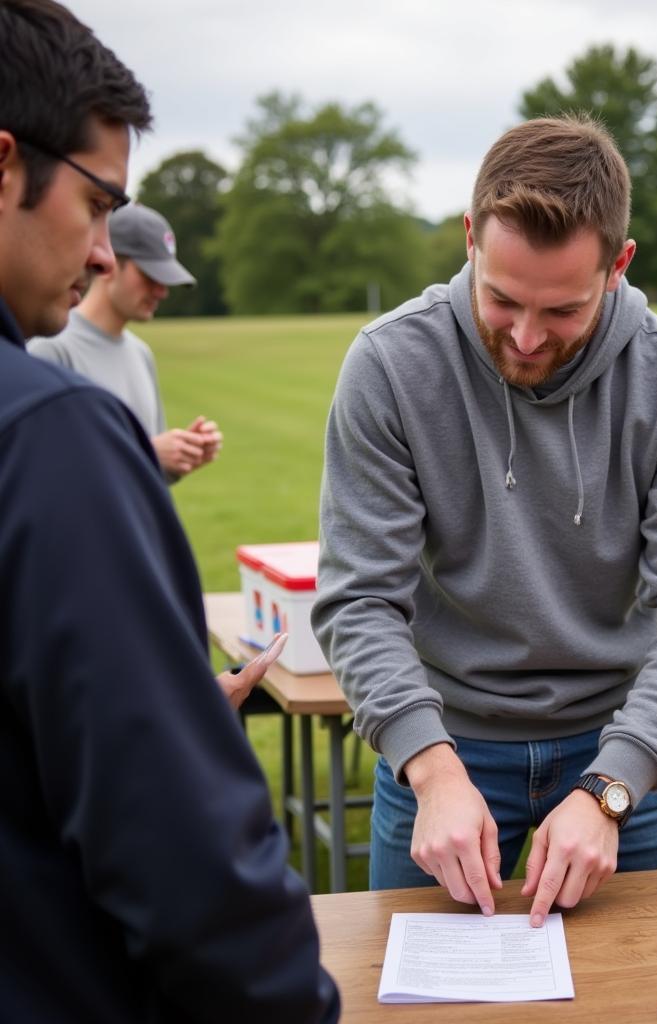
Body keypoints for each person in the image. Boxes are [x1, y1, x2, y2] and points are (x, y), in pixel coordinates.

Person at [312, 115, 657, 927]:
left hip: (626, 738)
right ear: (470, 237)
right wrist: (432, 770)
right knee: (411, 1000)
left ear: (618, 265)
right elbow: (361, 598)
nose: (523, 336)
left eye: (562, 311)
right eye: (502, 298)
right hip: (443, 740)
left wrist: (611, 787)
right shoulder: (390, 364)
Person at [0, 2, 339, 1020]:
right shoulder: (47, 432)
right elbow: (186, 863)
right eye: (99, 204)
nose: (104, 253)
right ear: (6, 164)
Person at [29, 201, 223, 482]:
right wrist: (147, 453)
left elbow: (144, 480)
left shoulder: (141, 353)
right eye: (150, 276)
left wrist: (178, 456)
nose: (161, 291)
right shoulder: (52, 348)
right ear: (109, 264)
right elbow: (40, 471)